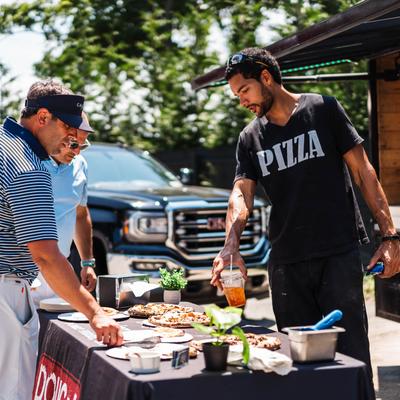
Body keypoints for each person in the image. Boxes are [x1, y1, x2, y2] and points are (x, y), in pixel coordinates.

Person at [211, 47, 400, 383]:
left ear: (266, 78)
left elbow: (363, 171)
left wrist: (389, 235)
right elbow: (241, 193)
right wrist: (230, 245)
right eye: (236, 95)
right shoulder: (249, 138)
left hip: (337, 254)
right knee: (296, 365)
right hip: (286, 264)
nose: (241, 101)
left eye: (244, 90)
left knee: (351, 358)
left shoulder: (323, 109)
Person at [0, 80, 123, 400]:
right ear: (42, 117)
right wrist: (95, 312)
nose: (74, 139)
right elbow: (45, 256)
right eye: (68, 127)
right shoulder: (29, 166)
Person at [31, 114, 96, 305]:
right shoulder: (29, 162)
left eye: (83, 146)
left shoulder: (81, 165)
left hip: (59, 269)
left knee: (56, 331)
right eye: (74, 144)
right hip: (22, 271)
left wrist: (87, 263)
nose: (77, 152)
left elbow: (80, 214)